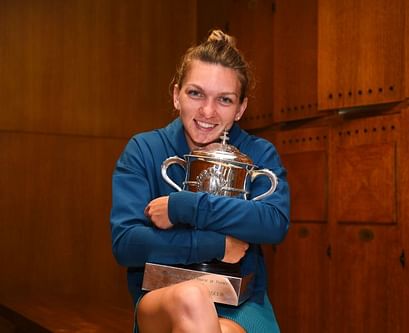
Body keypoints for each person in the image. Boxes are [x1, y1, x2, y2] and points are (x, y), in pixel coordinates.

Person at [110, 29, 290, 333]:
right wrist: (214, 244)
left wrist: (186, 207)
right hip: (163, 298)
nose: (208, 111)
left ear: (241, 108)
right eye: (196, 93)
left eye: (224, 99)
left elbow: (273, 222)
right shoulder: (144, 150)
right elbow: (126, 244)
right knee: (193, 298)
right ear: (176, 94)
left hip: (242, 303)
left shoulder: (258, 152)